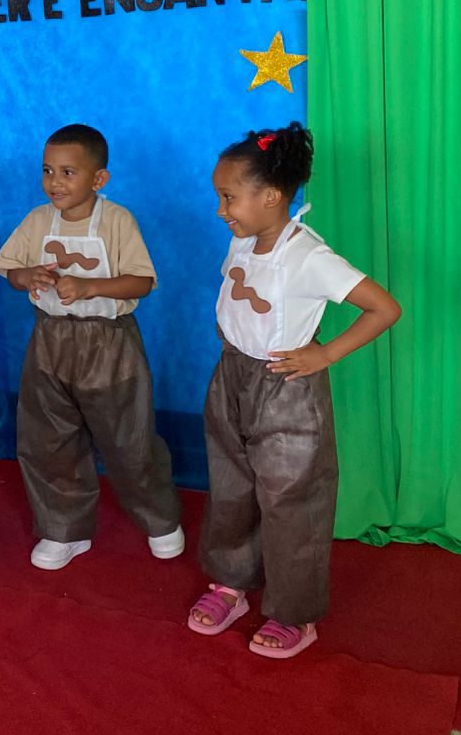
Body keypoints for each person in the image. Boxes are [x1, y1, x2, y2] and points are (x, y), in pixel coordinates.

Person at [187, 123, 400, 659]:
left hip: (286, 389)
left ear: (272, 196)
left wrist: (324, 354)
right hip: (232, 377)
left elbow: (384, 308)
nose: (220, 210)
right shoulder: (242, 241)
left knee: (292, 500)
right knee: (232, 486)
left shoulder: (309, 256)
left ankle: (294, 613)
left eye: (229, 198)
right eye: (220, 197)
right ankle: (232, 583)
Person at [0, 123, 184, 571]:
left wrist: (89, 286)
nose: (54, 182)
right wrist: (28, 276)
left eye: (68, 172)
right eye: (47, 171)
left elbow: (141, 281)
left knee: (128, 437)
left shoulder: (117, 220)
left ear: (99, 179)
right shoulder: (37, 221)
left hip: (108, 344)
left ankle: (159, 518)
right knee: (49, 438)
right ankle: (65, 529)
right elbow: (10, 270)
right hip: (50, 341)